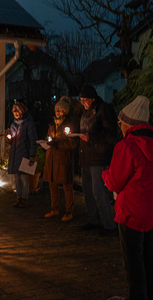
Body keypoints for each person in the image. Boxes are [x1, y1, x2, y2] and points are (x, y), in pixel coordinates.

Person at [102, 96, 153, 300]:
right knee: (149, 259)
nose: (119, 126)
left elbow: (114, 182)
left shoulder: (127, 146)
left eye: (121, 123)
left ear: (129, 124)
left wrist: (105, 173)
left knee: (132, 262)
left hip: (131, 212)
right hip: (150, 212)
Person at [79, 84, 118, 236]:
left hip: (99, 158)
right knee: (88, 191)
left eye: (84, 100)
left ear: (92, 98)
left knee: (98, 191)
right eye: (81, 100)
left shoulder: (103, 109)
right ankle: (94, 220)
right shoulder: (85, 113)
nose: (82, 103)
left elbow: (111, 135)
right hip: (86, 157)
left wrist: (91, 138)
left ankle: (110, 224)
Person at [43, 96, 78, 222]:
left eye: (60, 110)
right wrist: (48, 141)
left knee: (66, 185)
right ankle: (54, 208)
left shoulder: (69, 124)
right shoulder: (52, 124)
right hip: (52, 158)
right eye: (56, 110)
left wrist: (57, 144)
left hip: (63, 159)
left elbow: (73, 142)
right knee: (52, 185)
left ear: (65, 111)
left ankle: (69, 211)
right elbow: (48, 137)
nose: (57, 112)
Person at [7, 102, 38, 208]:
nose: (15, 113)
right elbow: (11, 139)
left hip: (24, 153)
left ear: (22, 111)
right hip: (15, 155)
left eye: (17, 110)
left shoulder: (28, 123)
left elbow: (33, 139)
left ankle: (24, 198)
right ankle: (19, 198)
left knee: (24, 178)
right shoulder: (13, 124)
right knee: (17, 178)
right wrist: (9, 140)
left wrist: (32, 155)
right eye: (14, 111)